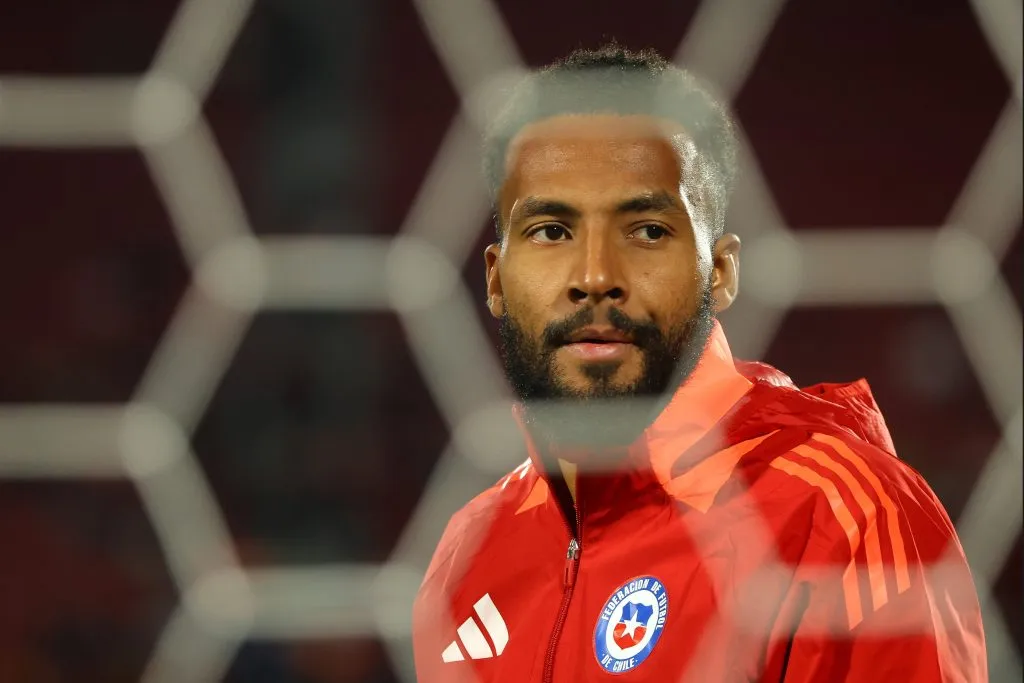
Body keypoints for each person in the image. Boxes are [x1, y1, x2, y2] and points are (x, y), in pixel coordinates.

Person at [411, 44, 987, 682]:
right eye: (551, 230)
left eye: (648, 230)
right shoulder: (470, 552)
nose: (596, 276)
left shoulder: (839, 517)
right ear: (495, 278)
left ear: (720, 271)